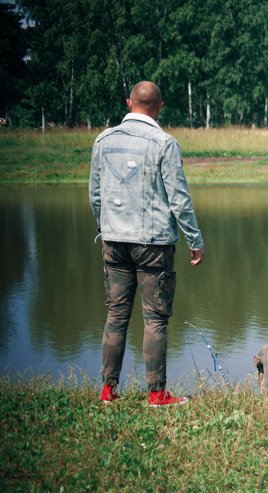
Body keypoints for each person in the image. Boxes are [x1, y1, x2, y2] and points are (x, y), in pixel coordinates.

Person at [89, 81, 205, 407]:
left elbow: (95, 194)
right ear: (160, 106)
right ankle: (157, 395)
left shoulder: (103, 140)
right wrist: (195, 240)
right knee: (154, 319)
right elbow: (179, 200)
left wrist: (105, 226)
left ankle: (108, 391)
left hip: (113, 239)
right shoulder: (165, 144)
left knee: (115, 316)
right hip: (153, 243)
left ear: (129, 103)